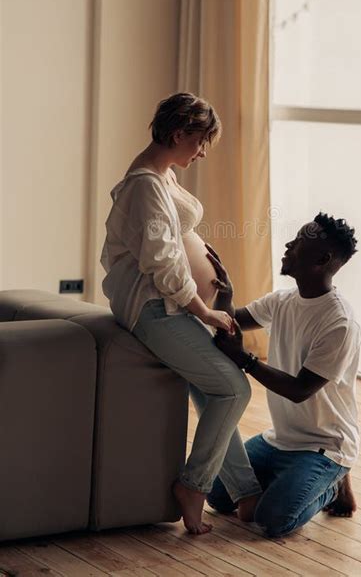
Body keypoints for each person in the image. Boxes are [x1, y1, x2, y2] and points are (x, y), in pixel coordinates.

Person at [100, 92, 261, 535]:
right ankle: (193, 486)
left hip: (171, 305)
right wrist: (205, 312)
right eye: (201, 141)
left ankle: (246, 494)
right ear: (179, 133)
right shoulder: (145, 185)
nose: (204, 151)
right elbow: (162, 261)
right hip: (157, 309)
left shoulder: (162, 176)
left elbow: (175, 240)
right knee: (234, 391)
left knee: (214, 394)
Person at [205, 212, 360, 538]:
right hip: (281, 438)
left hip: (323, 445)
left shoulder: (339, 322)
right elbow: (231, 320)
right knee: (218, 496)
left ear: (322, 259)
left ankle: (334, 483)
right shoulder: (283, 301)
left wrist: (245, 360)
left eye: (299, 242)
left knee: (272, 520)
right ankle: (294, 478)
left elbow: (300, 389)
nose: (289, 245)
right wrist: (226, 295)